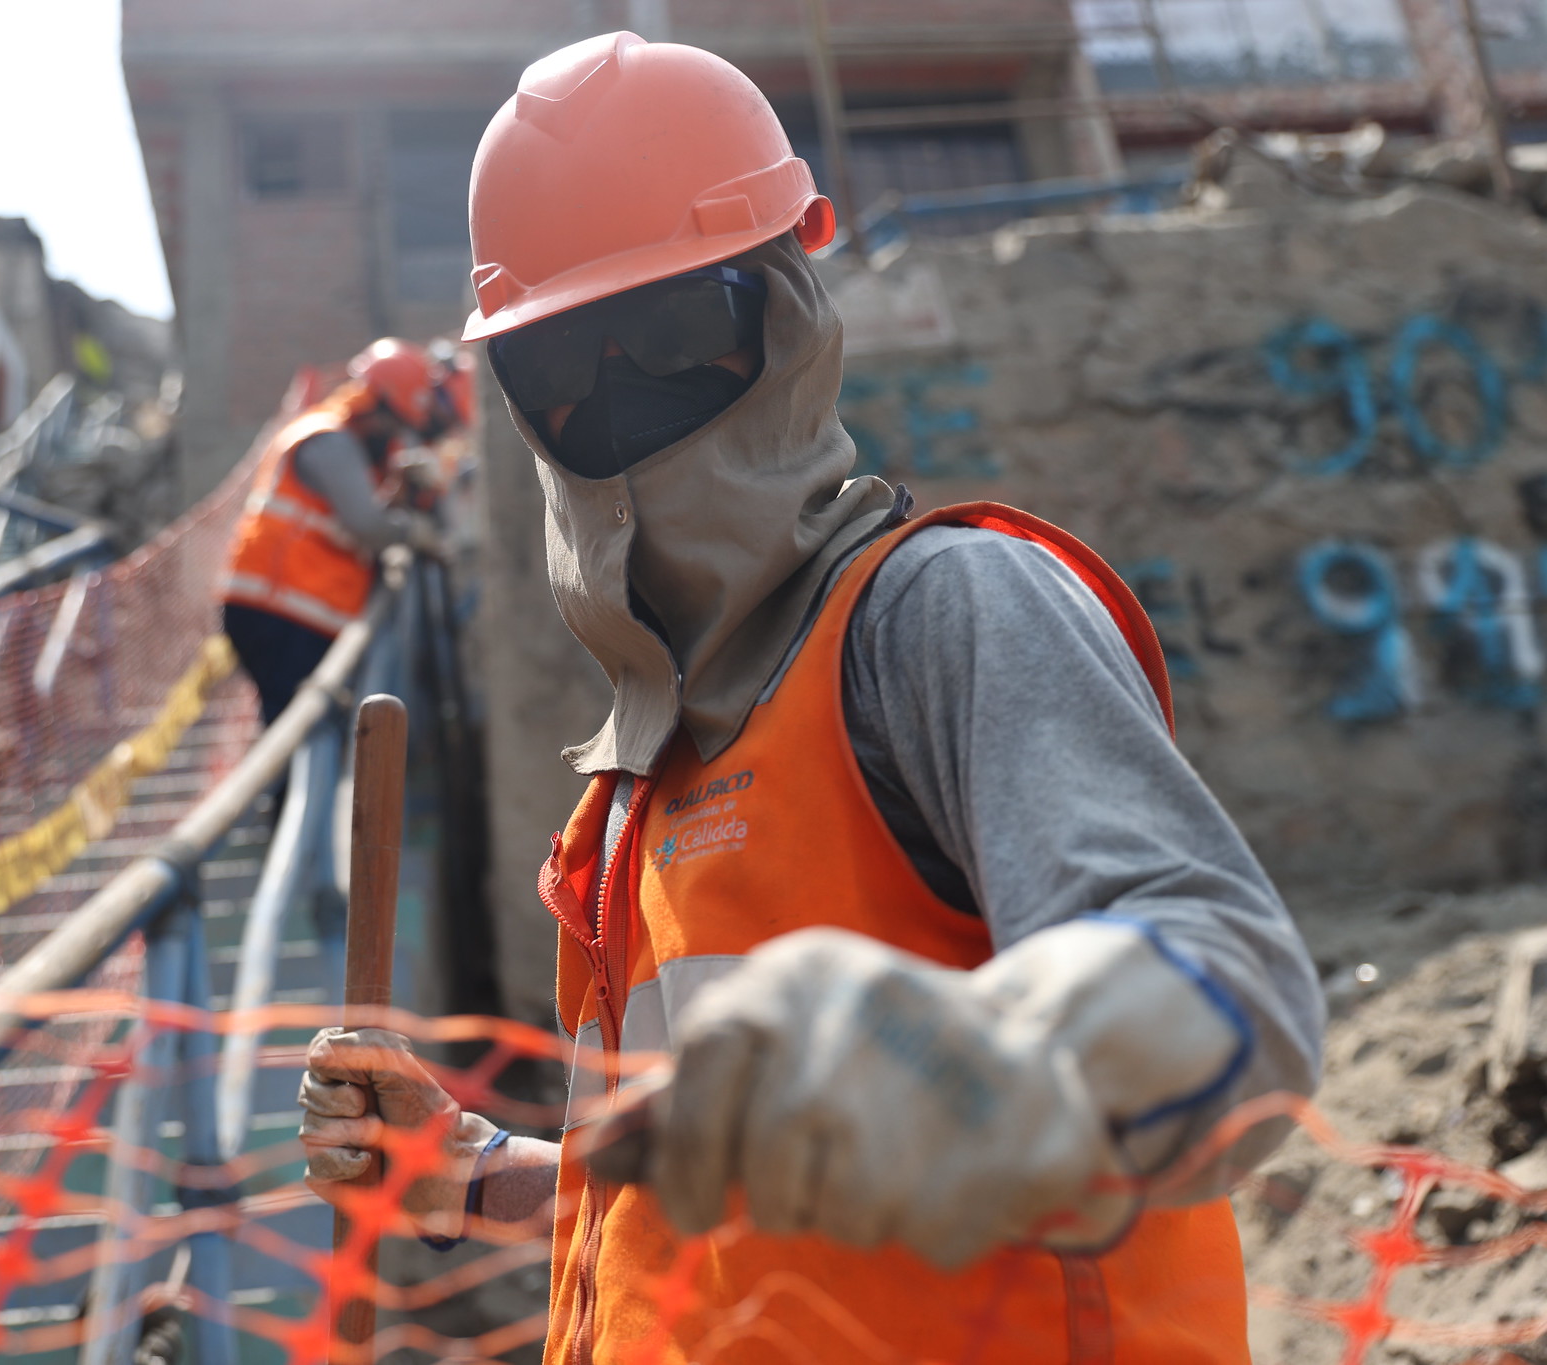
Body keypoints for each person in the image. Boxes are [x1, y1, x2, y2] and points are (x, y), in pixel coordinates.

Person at [297, 32, 1324, 1364]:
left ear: (787, 314)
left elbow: (1235, 990)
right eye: (565, 368)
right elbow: (729, 1204)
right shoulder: (626, 796)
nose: (621, 395)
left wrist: (978, 1061)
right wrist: (473, 1173)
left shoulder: (940, 616)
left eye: (669, 333)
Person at [220, 337, 446, 726]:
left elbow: (350, 518)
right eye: (394, 423)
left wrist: (399, 487)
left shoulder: (349, 443)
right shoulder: (331, 442)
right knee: (299, 736)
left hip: (291, 611)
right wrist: (413, 533)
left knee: (298, 731)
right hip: (279, 611)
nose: (395, 436)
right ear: (372, 403)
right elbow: (366, 525)